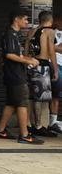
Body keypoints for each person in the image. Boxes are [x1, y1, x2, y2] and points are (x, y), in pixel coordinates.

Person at [0, 10, 42, 144]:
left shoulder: (15, 34)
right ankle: (24, 135)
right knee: (22, 103)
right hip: (15, 75)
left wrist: (29, 59)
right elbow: (9, 55)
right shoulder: (10, 34)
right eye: (25, 19)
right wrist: (28, 61)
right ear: (16, 19)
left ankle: (0, 130)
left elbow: (17, 54)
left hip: (14, 73)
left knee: (11, 103)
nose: (27, 22)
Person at [25, 10, 57, 138]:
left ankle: (29, 124)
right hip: (42, 66)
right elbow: (51, 51)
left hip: (30, 64)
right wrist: (55, 69)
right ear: (50, 20)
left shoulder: (31, 31)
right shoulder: (49, 31)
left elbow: (26, 50)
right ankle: (38, 126)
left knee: (31, 97)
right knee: (39, 97)